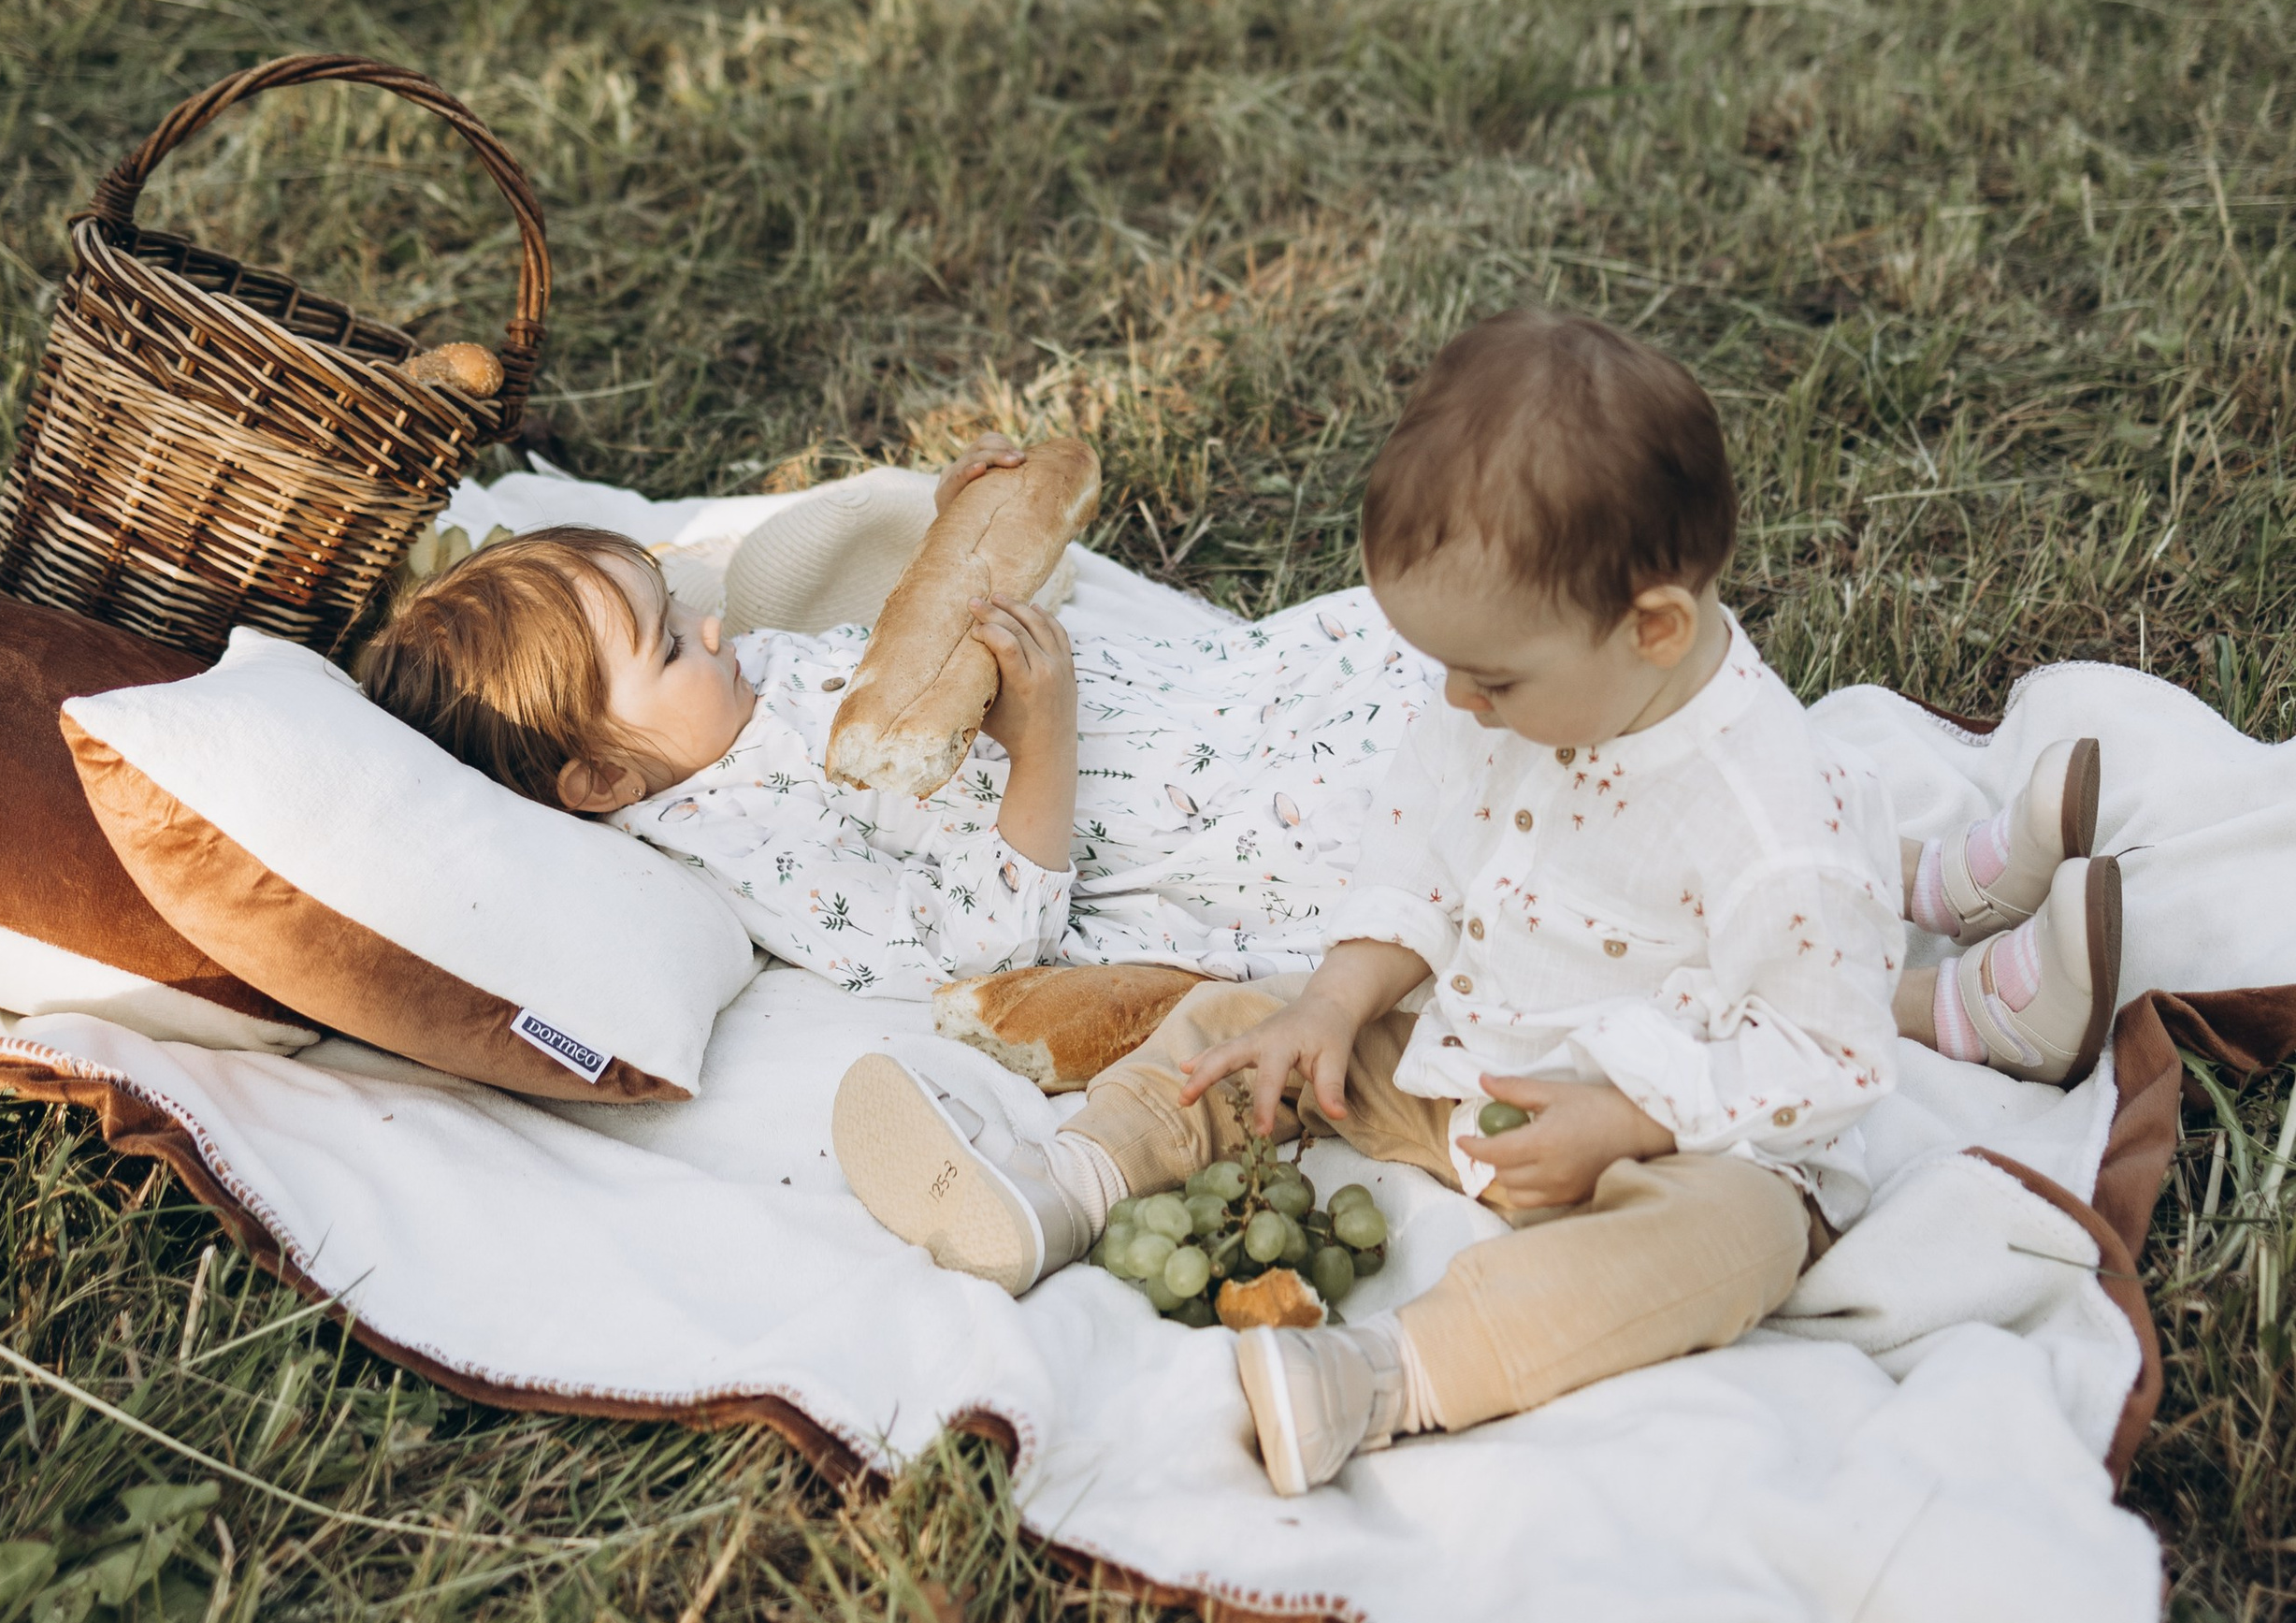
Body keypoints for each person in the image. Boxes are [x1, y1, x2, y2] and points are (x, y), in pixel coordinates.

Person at [829, 312, 2123, 1497]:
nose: (1457, 702)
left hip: (1693, 1136)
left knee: (1728, 1245)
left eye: (1490, 679)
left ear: (1654, 628)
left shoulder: (1779, 825)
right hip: (1474, 1063)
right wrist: (1337, 1000)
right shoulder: (1511, 697)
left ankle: (1386, 1377)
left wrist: (1632, 1117)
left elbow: (1828, 1054)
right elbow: (1421, 851)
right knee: (1244, 1018)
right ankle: (1065, 1184)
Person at [354, 443, 1435, 994]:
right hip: (1176, 813)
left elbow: (894, 645)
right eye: (670, 644)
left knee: (1401, 649)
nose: (713, 627)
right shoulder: (746, 845)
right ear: (600, 780)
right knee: (1412, 793)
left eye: (678, 605)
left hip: (1197, 696)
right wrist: (1042, 743)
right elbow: (972, 949)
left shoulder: (724, 697)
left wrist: (954, 525)